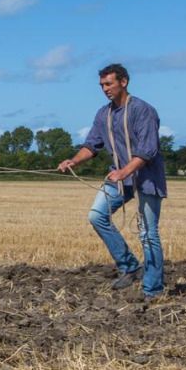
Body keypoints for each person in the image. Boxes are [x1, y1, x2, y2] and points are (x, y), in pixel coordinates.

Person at [56, 63, 168, 299]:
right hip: (119, 178)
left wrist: (124, 172)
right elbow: (91, 145)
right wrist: (73, 161)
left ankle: (153, 290)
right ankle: (130, 267)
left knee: (148, 233)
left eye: (109, 84)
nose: (105, 89)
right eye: (102, 85)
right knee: (97, 216)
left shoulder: (143, 110)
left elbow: (148, 150)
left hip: (147, 178)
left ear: (123, 82)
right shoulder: (103, 114)